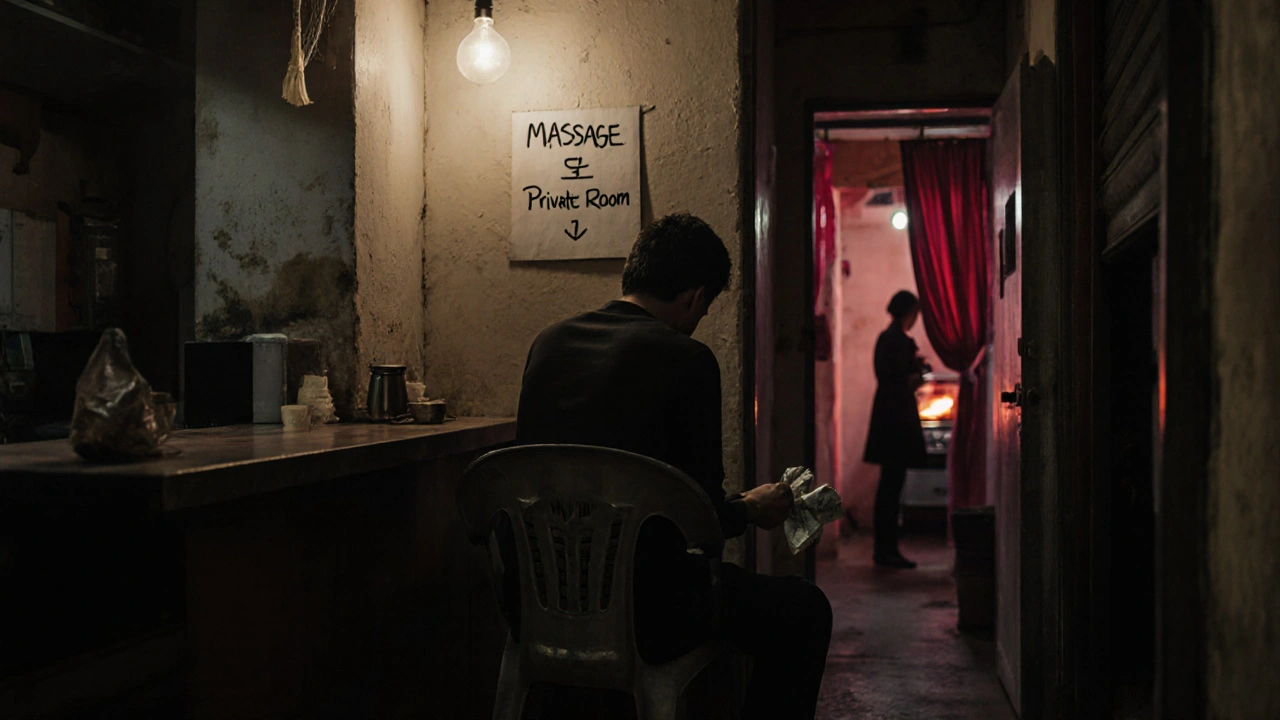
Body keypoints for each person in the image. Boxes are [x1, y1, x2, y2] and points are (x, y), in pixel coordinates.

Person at [515, 213, 833, 719]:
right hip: (648, 614)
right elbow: (701, 524)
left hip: (537, 603)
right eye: (702, 309)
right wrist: (751, 508)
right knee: (805, 609)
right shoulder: (688, 359)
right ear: (694, 297)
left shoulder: (547, 343)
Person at [863, 290, 930, 569]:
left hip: (887, 417)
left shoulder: (885, 338)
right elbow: (902, 380)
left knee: (889, 486)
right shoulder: (899, 341)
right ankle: (886, 549)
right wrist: (918, 374)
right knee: (892, 486)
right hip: (897, 419)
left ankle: (885, 548)